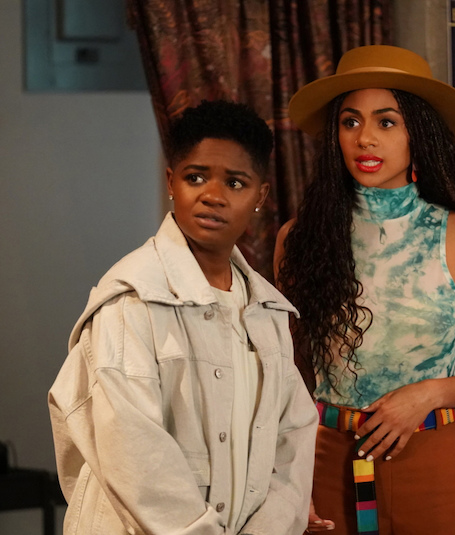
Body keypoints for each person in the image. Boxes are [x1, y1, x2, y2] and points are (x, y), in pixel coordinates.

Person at [274, 45, 455, 534]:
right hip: (326, 461)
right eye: (350, 122)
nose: (365, 138)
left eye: (386, 122)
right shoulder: (299, 238)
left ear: (417, 134)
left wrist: (426, 394)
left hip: (431, 463)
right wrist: (287, 474)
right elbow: (284, 372)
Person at [49, 100, 318, 535]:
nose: (213, 195)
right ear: (171, 182)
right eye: (195, 177)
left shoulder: (267, 310)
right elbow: (135, 454)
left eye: (235, 182)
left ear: (260, 196)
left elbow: (293, 441)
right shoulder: (133, 300)